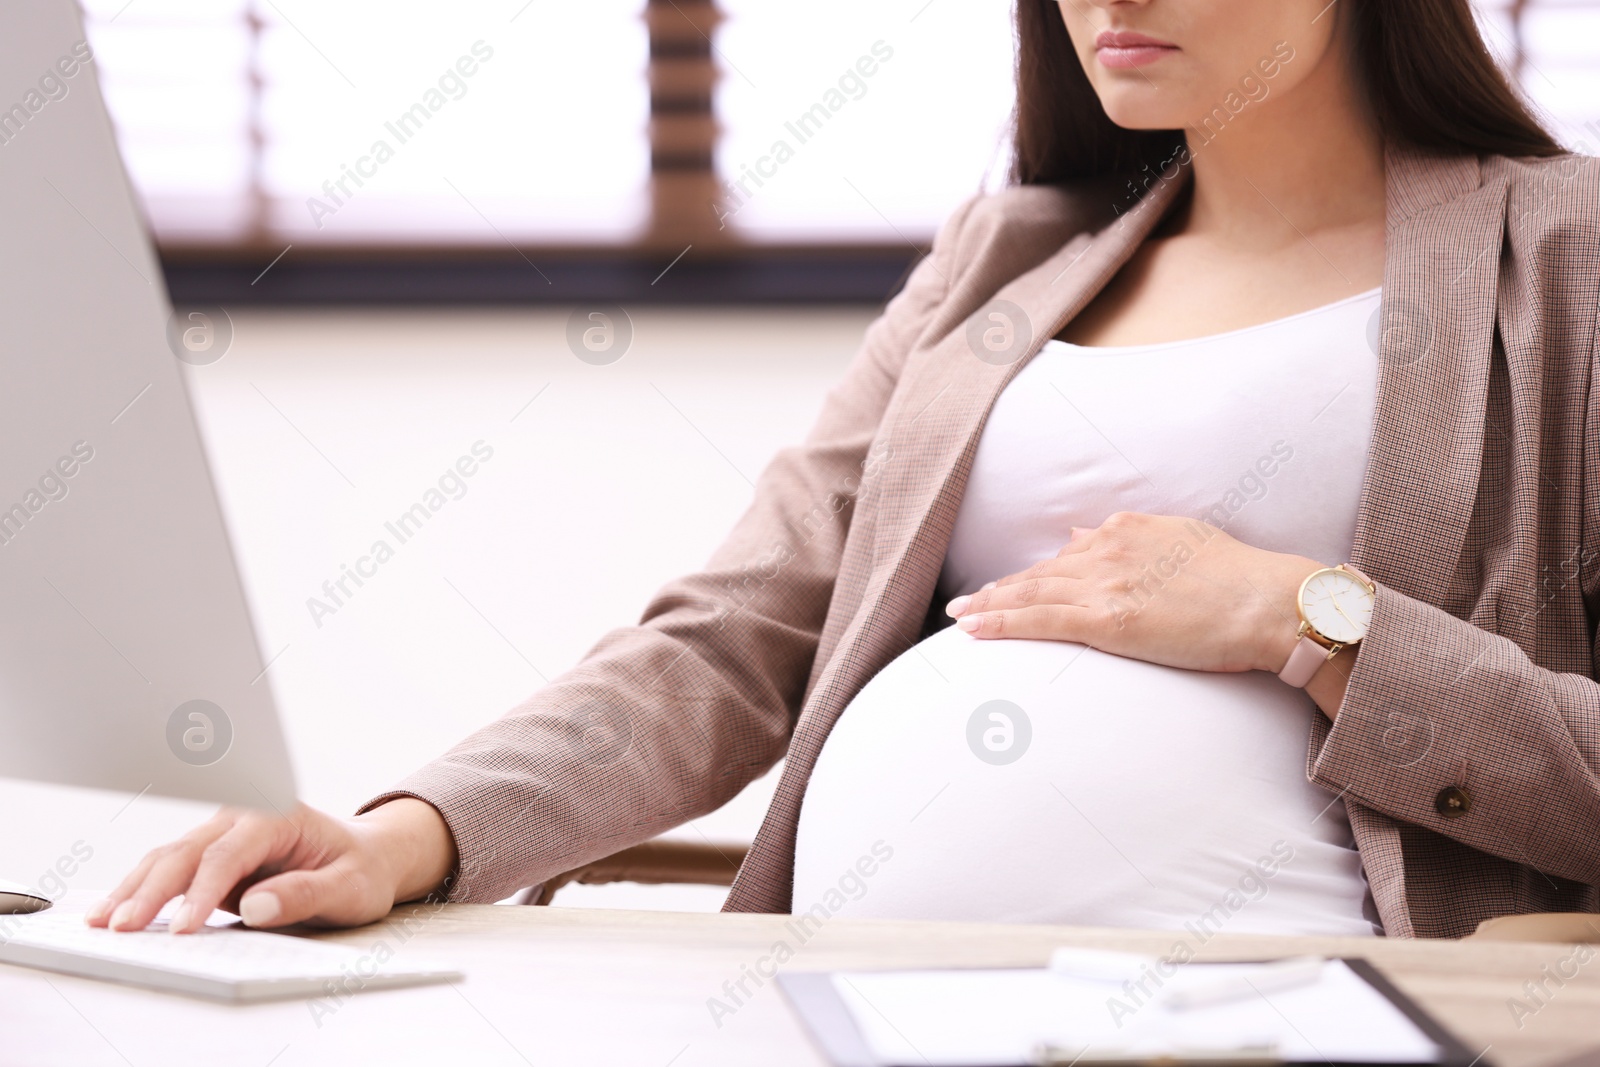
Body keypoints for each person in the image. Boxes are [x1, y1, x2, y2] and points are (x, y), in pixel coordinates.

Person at [95, 0, 1598, 939]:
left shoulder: (1565, 260)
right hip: (861, 1008)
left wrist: (1309, 621)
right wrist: (405, 835)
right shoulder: (999, 267)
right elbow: (740, 635)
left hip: (1318, 1006)